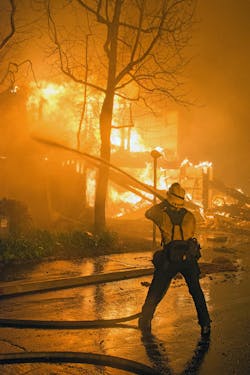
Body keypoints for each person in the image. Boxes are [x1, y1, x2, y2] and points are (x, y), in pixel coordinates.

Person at [139, 182, 211, 337]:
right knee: (196, 292)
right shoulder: (190, 216)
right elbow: (191, 232)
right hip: (188, 260)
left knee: (156, 290)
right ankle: (205, 324)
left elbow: (149, 213)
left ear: (169, 199)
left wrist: (163, 204)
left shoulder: (162, 215)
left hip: (170, 260)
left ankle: (145, 321)